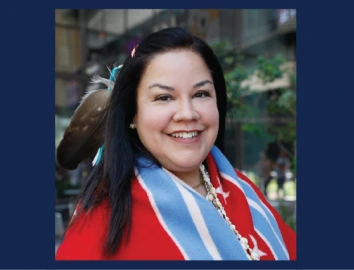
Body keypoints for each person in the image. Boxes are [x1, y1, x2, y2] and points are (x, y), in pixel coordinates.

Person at [55, 27, 296, 260]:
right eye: (164, 97)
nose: (187, 114)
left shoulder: (243, 190)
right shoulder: (102, 223)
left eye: (201, 94)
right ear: (132, 114)